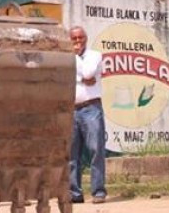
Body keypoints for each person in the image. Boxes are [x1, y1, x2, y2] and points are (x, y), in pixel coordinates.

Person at [69, 26, 106, 205]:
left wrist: (75, 73)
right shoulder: (67, 57)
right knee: (71, 153)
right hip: (71, 110)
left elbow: (89, 73)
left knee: (96, 150)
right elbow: (73, 76)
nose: (78, 41)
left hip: (91, 108)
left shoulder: (95, 55)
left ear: (86, 37)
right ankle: (74, 193)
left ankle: (98, 191)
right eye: (74, 39)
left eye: (80, 37)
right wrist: (79, 79)